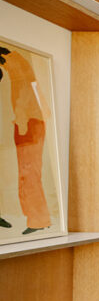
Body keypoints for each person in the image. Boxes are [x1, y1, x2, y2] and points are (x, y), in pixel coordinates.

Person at [0, 45, 51, 234]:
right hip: (27, 122)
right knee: (28, 172)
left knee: (28, 172)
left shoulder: (19, 69)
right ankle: (39, 218)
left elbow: (26, 96)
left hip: (28, 124)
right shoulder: (22, 69)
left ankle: (39, 219)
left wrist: (21, 121)